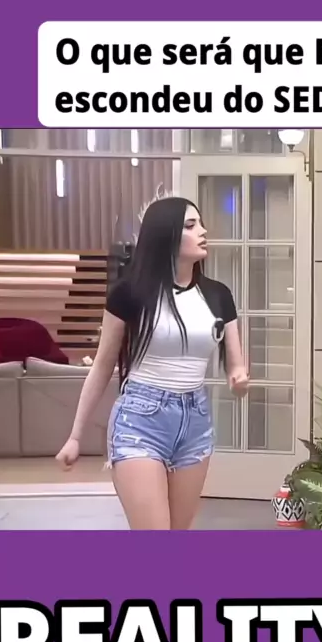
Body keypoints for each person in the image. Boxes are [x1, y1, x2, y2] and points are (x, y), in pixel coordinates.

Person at [55, 196, 249, 530]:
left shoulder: (218, 295)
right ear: (165, 235)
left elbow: (236, 365)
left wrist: (239, 378)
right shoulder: (130, 293)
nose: (203, 231)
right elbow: (102, 366)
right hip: (140, 419)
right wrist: (75, 435)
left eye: (201, 224)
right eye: (191, 225)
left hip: (195, 421)